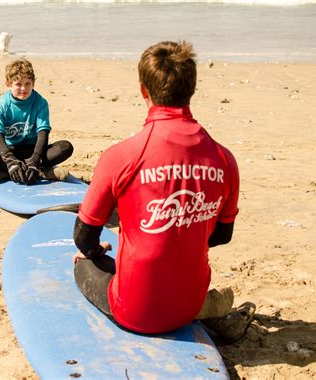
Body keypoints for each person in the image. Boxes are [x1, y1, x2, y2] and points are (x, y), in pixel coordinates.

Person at [73, 41, 256, 343]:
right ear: (193, 89)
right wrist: (180, 231)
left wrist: (92, 251)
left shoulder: (120, 156)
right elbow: (223, 235)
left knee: (84, 263)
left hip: (135, 312)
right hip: (189, 306)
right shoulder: (224, 160)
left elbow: (83, 236)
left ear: (144, 90)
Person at [0, 58, 73, 185]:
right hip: (10, 150)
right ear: (8, 84)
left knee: (65, 147)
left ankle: (10, 172)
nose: (23, 88)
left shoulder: (40, 102)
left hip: (34, 151)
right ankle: (40, 172)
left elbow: (43, 134)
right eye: (18, 84)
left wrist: (35, 160)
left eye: (28, 83)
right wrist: (10, 161)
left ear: (33, 83)